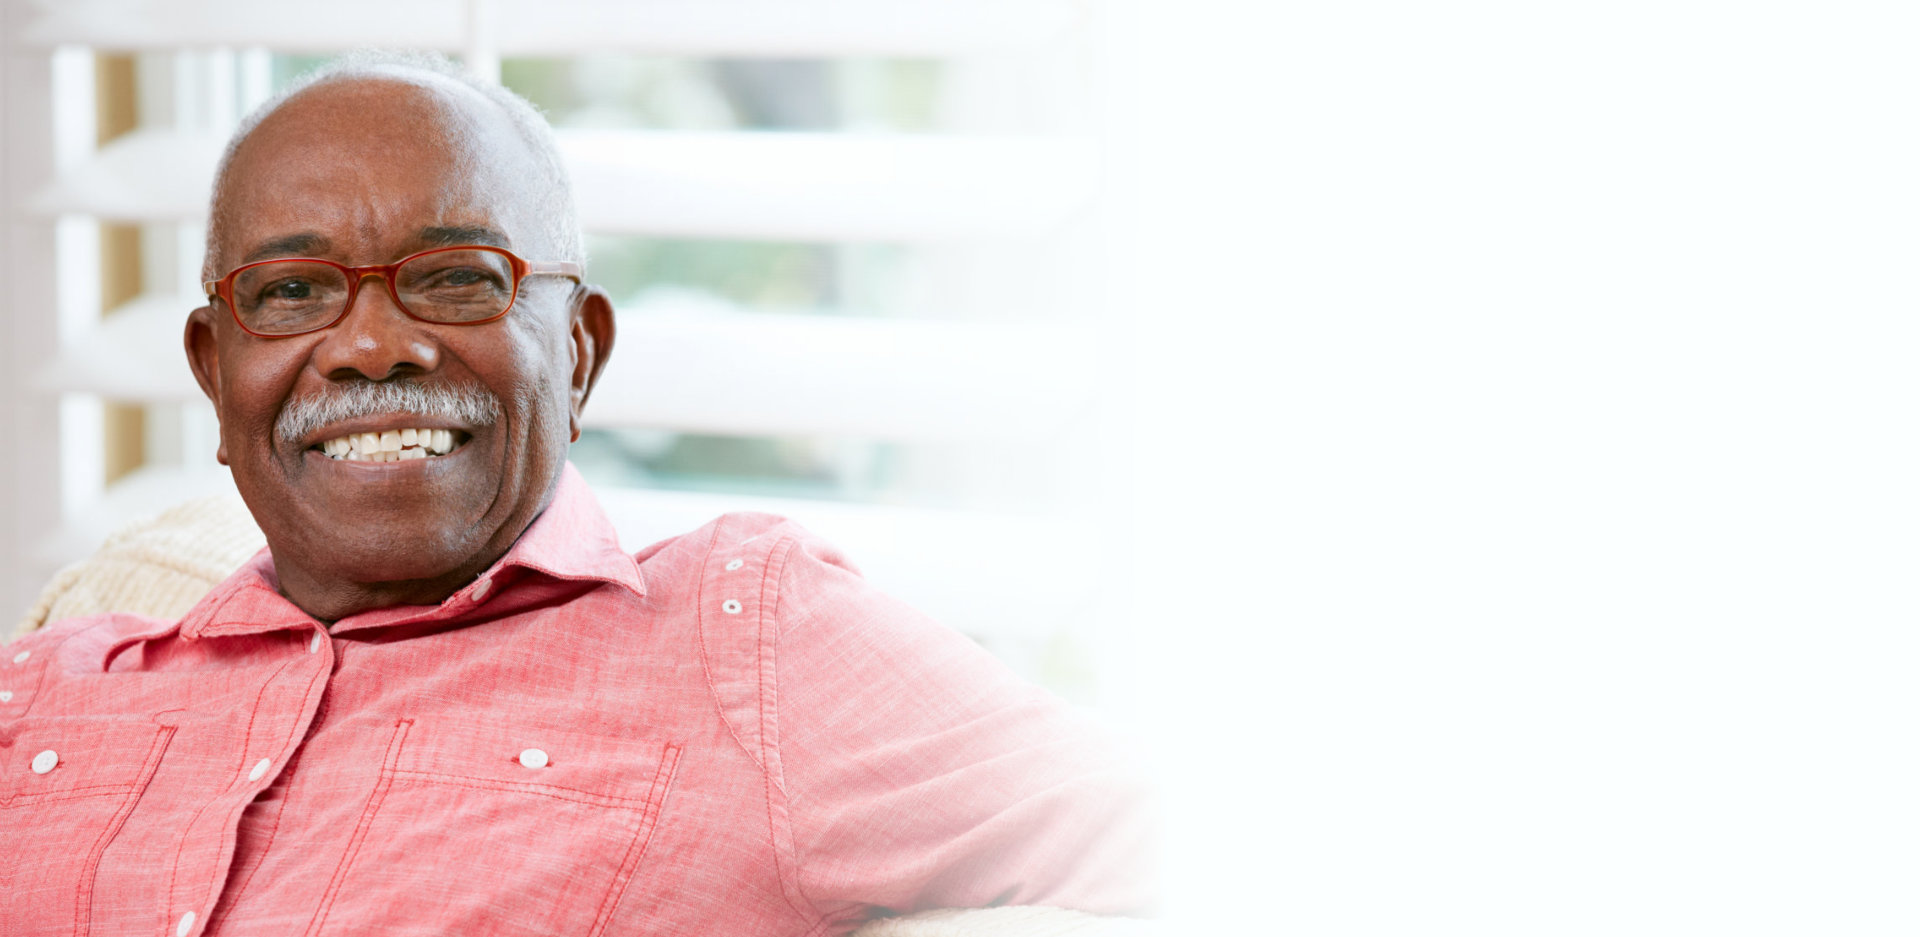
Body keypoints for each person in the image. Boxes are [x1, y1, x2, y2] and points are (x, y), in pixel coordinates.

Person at [0, 53, 1152, 936]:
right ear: (214, 373)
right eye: (294, 291)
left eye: (456, 278)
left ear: (582, 352)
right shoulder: (44, 687)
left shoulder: (744, 639)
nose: (369, 346)